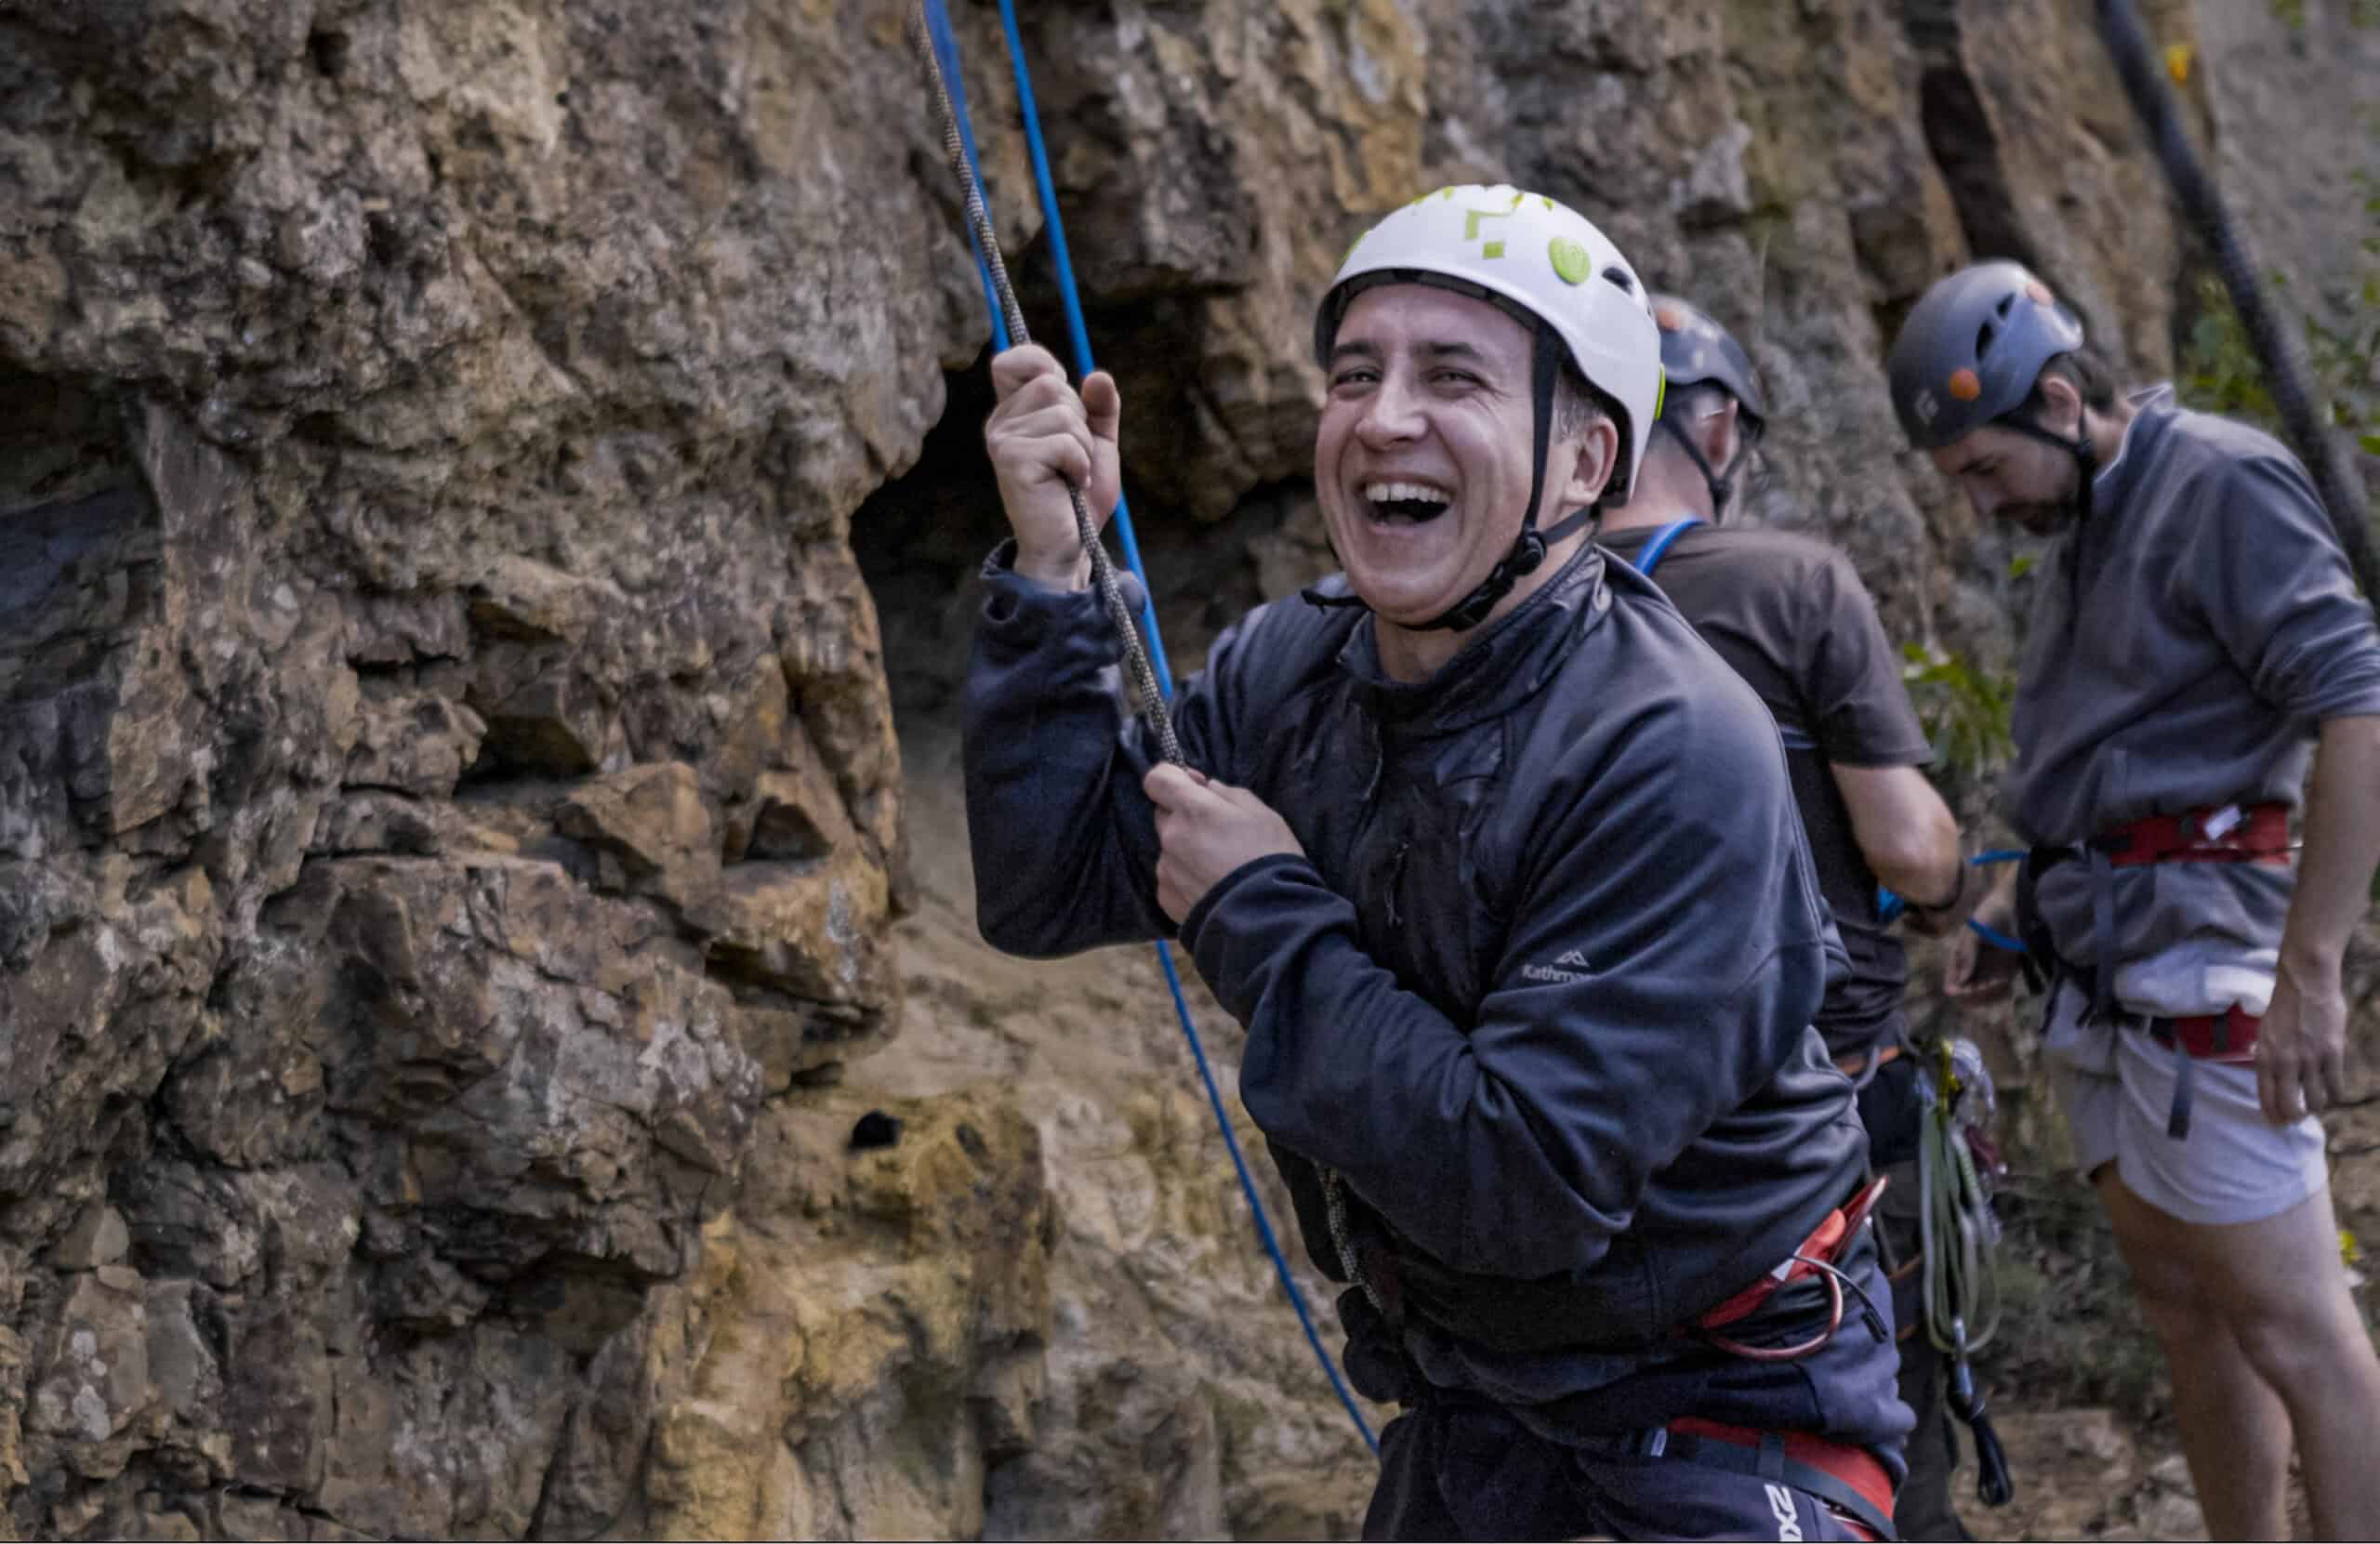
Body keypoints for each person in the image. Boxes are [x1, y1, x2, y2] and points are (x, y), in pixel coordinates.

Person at [964, 184, 1910, 1541]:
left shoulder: (1670, 748)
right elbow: (1049, 887)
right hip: (1486, 1400)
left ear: (1584, 462)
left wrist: (1258, 908)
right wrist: (1056, 581)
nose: (1383, 416)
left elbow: (1519, 1181)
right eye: (1356, 374)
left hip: (1723, 1399)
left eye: (1450, 376)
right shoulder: (1291, 670)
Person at [1887, 259, 2380, 1540]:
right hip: (2104, 975)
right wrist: (2010, 912)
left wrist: (2310, 970)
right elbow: (2087, 776)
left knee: (2301, 1331)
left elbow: (2358, 700)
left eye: (1988, 471)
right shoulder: (2086, 534)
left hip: (2206, 967)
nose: (1987, 508)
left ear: (2058, 398)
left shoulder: (2215, 481)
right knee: (2186, 1309)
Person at [1599, 295, 1978, 1541]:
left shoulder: (1531, 604)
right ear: (1711, 423)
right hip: (1824, 1104)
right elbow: (1912, 847)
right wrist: (1965, 893)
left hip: (1610, 1108)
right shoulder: (1793, 580)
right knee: (1878, 1417)